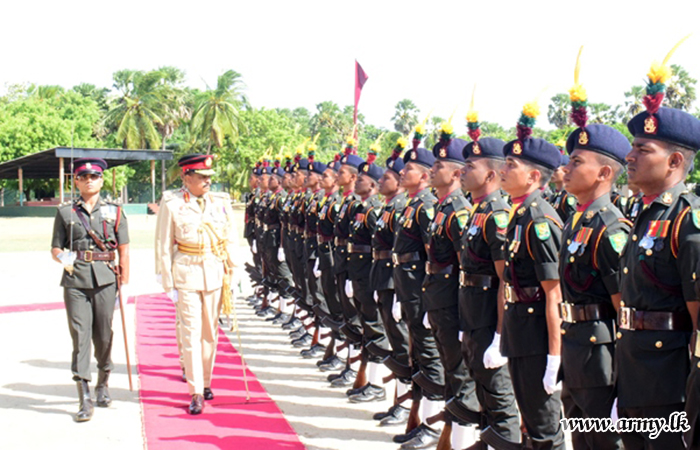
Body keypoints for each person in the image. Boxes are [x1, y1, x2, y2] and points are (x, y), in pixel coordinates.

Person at [617, 52, 700, 449]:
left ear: (674, 161)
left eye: (642, 149)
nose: (629, 157)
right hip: (634, 370)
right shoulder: (644, 213)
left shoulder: (688, 219)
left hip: (671, 382)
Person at [556, 55, 629, 450]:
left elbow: (623, 309)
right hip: (576, 347)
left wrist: (626, 380)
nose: (565, 169)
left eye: (576, 161)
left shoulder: (610, 227)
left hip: (601, 356)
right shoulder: (577, 220)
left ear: (604, 173)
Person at [500, 102, 566, 450]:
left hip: (537, 337)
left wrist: (554, 357)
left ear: (534, 177)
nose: (502, 170)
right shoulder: (521, 214)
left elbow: (554, 292)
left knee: (543, 428)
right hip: (520, 330)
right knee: (529, 422)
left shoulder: (540, 220)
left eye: (511, 165)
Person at [411, 131, 480, 450]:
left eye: (439, 166)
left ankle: (459, 441)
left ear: (454, 174)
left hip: (452, 303)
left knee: (459, 376)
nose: (432, 170)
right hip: (438, 299)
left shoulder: (458, 210)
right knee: (449, 371)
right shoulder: (442, 208)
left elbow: (463, 266)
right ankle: (443, 435)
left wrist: (462, 312)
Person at [156, 154, 238, 415]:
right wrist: (167, 282)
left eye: (209, 177)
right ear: (186, 177)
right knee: (190, 332)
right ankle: (196, 391)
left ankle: (206, 380)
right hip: (186, 271)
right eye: (201, 177)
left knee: (209, 332)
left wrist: (234, 273)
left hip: (214, 271)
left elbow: (230, 238)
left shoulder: (220, 202)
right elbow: (163, 243)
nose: (207, 181)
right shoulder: (173, 203)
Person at [51, 157, 129, 422]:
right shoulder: (65, 212)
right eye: (83, 177)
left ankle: (103, 382)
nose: (88, 181)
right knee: (80, 335)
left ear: (101, 180)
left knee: (104, 335)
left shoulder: (115, 212)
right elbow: (55, 247)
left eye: (93, 177)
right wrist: (62, 257)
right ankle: (84, 396)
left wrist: (124, 283)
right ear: (76, 182)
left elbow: (124, 250)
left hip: (106, 279)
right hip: (75, 280)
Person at [458, 129, 521, 449]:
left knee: (499, 394)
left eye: (471, 166)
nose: (463, 171)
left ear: (490, 175)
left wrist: (499, 336)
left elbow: (504, 280)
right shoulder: (478, 211)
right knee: (482, 389)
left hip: (487, 316)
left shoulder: (497, 215)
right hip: (472, 312)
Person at [391, 139, 445, 445]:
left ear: (424, 176)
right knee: (418, 354)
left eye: (408, 169)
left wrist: (426, 297)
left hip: (419, 287)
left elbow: (430, 255)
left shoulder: (426, 206)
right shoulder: (412, 204)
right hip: (407, 285)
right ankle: (421, 417)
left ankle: (432, 425)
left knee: (428, 352)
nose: (402, 172)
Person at [369, 139, 412, 421]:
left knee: (403, 344)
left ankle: (407, 405)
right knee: (396, 342)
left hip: (395, 280)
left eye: (386, 177)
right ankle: (401, 401)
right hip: (384, 276)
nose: (380, 181)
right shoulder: (390, 207)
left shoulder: (401, 207)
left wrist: (397, 291)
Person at [346, 150, 392, 403]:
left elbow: (380, 248)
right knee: (367, 325)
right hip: (359, 271)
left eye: (361, 179)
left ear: (372, 185)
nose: (356, 182)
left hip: (369, 273)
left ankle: (376, 383)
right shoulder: (362, 208)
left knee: (375, 327)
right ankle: (367, 379)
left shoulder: (374, 210)